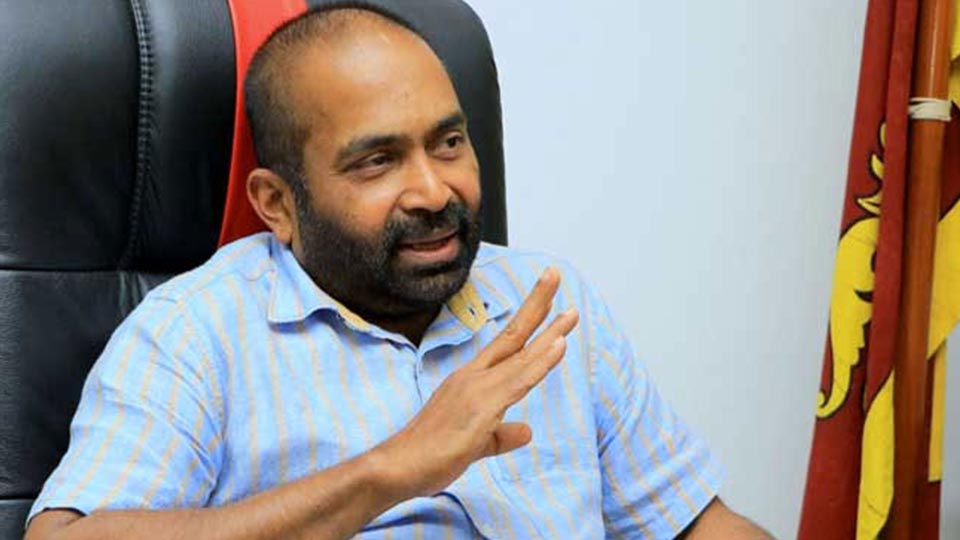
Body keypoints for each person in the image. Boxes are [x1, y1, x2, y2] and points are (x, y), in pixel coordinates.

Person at [25, 6, 771, 540]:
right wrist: (390, 470)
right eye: (378, 161)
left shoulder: (546, 301)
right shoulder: (195, 333)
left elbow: (694, 523)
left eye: (448, 143)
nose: (434, 192)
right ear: (277, 204)